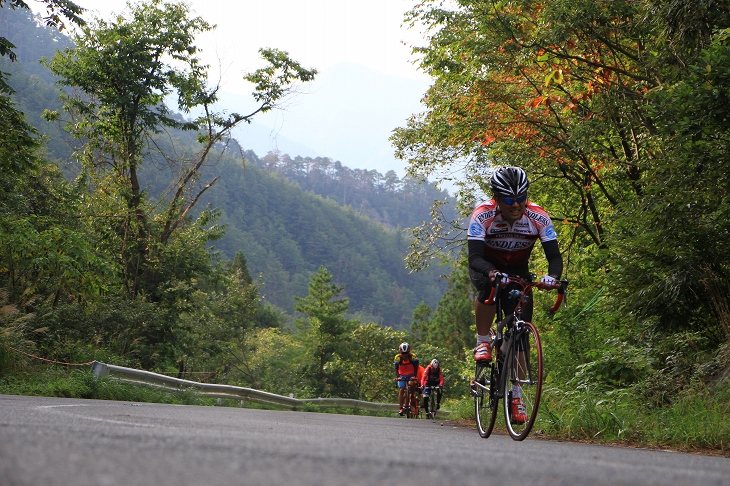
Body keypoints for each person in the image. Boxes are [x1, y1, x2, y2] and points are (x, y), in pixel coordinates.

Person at [467, 166, 563, 423]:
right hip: (486, 267)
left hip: (518, 269)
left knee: (520, 333)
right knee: (490, 287)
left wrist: (552, 278)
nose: (516, 205)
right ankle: (483, 340)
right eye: (509, 200)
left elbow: (554, 257)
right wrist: (491, 272)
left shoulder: (538, 216)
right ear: (496, 198)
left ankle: (517, 395)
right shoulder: (483, 214)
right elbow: (474, 257)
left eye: (521, 198)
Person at [394, 342, 419, 416]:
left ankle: (412, 396)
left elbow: (416, 367)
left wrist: (414, 375)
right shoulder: (398, 357)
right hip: (402, 375)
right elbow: (396, 368)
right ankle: (401, 407)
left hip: (411, 375)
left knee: (411, 384)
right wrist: (398, 376)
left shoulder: (413, 357)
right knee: (401, 389)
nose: (405, 355)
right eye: (403, 353)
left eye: (406, 353)